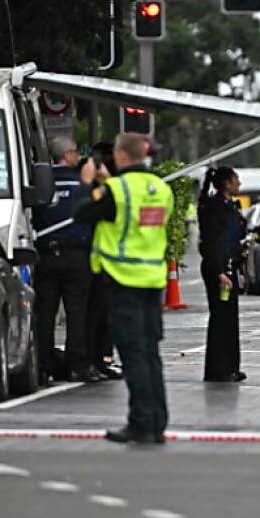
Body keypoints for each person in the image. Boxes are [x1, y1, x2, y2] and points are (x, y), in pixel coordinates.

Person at [74, 133, 174, 444]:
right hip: (153, 280)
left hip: (123, 279)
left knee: (133, 356)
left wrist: (88, 183)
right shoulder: (161, 188)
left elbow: (82, 213)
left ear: (120, 155)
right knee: (150, 354)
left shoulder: (116, 190)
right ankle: (157, 422)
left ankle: (141, 423)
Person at [32, 137, 101, 384]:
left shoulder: (40, 182)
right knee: (77, 312)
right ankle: (77, 364)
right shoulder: (80, 182)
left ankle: (43, 365)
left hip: (46, 254)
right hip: (76, 254)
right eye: (75, 152)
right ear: (68, 155)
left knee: (45, 313)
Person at [198, 166, 246, 383]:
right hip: (219, 269)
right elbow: (213, 242)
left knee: (229, 317)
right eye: (236, 180)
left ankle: (230, 366)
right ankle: (219, 369)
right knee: (221, 318)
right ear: (227, 183)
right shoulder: (216, 208)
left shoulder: (230, 207)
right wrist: (219, 271)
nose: (239, 184)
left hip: (228, 267)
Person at [84, 142, 121, 381]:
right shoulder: (97, 191)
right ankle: (95, 359)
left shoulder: (110, 189)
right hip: (97, 263)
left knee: (103, 314)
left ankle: (102, 358)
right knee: (95, 314)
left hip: (105, 262)